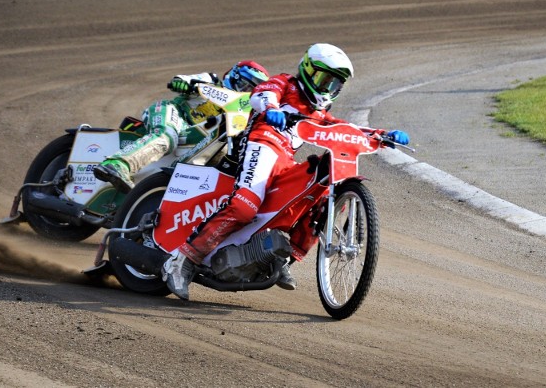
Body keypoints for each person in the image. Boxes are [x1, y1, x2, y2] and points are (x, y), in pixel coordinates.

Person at [162, 43, 410, 300]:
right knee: (244, 207)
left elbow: (343, 127)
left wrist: (381, 134)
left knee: (317, 194)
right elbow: (262, 94)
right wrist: (272, 110)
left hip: (285, 159)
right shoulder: (285, 83)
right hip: (262, 144)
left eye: (334, 85)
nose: (327, 88)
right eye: (323, 80)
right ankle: (183, 260)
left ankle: (282, 257)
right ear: (308, 70)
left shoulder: (319, 112)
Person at [93, 61, 270, 192]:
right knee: (166, 137)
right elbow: (182, 80)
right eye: (245, 85)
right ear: (234, 75)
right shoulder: (212, 81)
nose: (245, 91)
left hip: (195, 140)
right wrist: (185, 83)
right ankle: (117, 164)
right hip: (173, 113)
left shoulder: (240, 115)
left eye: (250, 91)